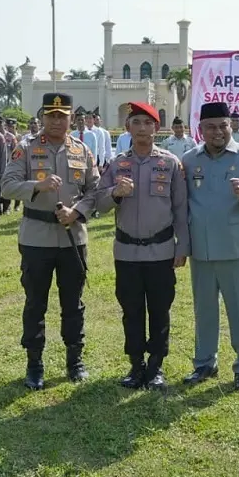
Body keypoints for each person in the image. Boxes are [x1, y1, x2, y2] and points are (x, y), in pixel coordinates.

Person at [0, 93, 100, 391]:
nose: (56, 121)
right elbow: (6, 187)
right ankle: (35, 364)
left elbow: (95, 190)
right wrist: (37, 186)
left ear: (72, 119)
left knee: (74, 303)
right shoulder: (26, 148)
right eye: (51, 115)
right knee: (35, 303)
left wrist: (78, 211)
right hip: (36, 238)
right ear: (43, 117)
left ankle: (75, 361)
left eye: (62, 115)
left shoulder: (82, 150)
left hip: (73, 239)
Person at [95, 102, 188, 390]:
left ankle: (156, 366)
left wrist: (182, 246)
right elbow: (98, 202)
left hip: (161, 251)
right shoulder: (117, 164)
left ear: (156, 128)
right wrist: (115, 193)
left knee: (160, 310)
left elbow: (181, 208)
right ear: (128, 128)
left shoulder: (171, 163)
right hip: (127, 252)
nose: (143, 128)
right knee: (131, 310)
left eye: (148, 123)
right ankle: (136, 365)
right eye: (136, 122)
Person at [181, 101, 239, 392]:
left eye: (223, 125)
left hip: (237, 249)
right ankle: (204, 363)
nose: (218, 132)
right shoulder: (190, 159)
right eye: (210, 127)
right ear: (201, 129)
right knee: (204, 311)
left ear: (231, 125)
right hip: (203, 250)